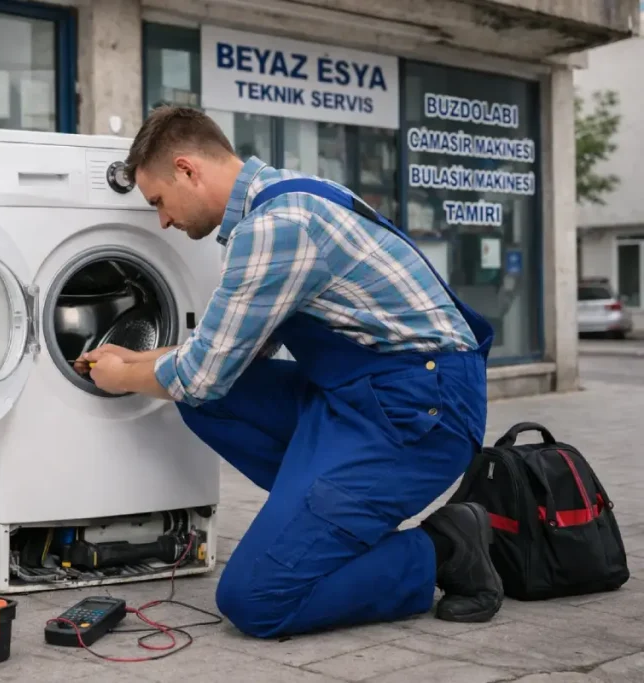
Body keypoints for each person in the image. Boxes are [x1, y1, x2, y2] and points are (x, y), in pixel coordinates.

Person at [74, 106, 504, 639]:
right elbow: (230, 354)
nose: (162, 220)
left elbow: (202, 373)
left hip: (420, 414)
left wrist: (121, 378)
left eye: (159, 202)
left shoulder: (275, 227)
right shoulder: (285, 197)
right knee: (205, 399)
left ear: (187, 169)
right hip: (363, 397)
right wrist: (137, 358)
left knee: (255, 599)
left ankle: (444, 547)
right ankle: (325, 523)